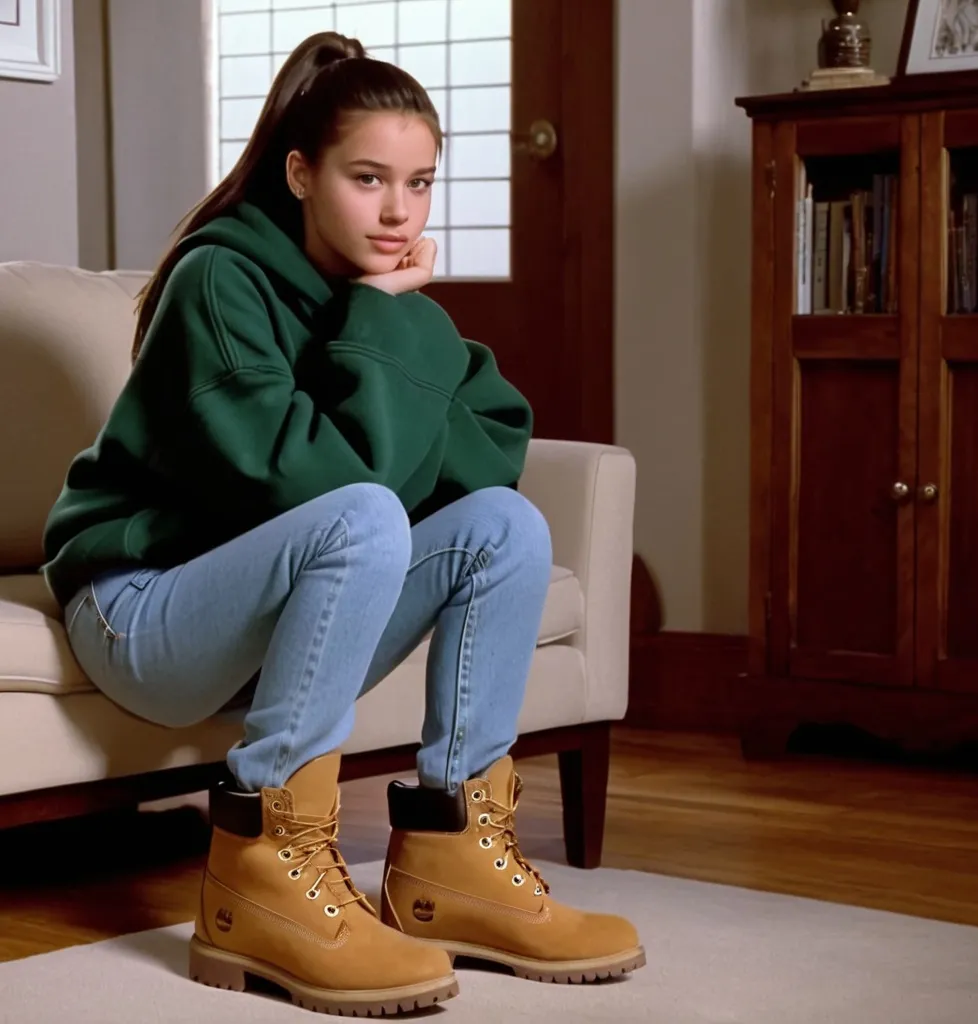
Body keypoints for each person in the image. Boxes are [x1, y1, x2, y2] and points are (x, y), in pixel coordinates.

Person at [42, 31, 644, 1018]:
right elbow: (319, 485)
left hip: (256, 612)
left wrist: (383, 318)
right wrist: (373, 320)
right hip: (143, 605)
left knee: (505, 526)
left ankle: (452, 852)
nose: (398, 210)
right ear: (300, 172)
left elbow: (488, 450)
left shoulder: (383, 297)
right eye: (368, 178)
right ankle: (264, 866)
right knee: (362, 512)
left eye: (419, 182)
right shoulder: (219, 283)